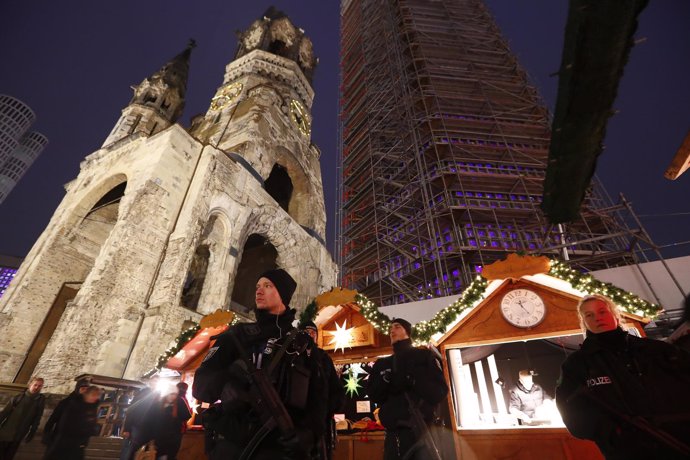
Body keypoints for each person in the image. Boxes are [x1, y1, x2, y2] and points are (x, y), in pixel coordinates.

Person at [193, 269, 327, 460]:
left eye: (267, 286)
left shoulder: (302, 343)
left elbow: (319, 397)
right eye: (257, 286)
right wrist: (226, 385)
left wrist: (310, 434)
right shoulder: (236, 335)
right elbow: (201, 386)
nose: (259, 291)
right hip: (235, 443)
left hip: (281, 447)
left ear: (283, 295)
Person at [556, 294, 690, 460]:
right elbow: (571, 410)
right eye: (589, 315)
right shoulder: (577, 364)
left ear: (615, 314)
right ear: (584, 322)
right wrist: (615, 435)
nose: (597, 318)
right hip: (628, 453)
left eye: (602, 312)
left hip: (679, 443)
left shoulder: (655, 350)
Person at [367, 318, 448, 460]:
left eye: (397, 327)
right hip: (394, 436)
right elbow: (374, 395)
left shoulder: (424, 356)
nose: (392, 331)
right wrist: (386, 381)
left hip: (422, 432)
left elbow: (439, 392)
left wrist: (413, 379)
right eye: (390, 328)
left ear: (408, 332)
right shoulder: (383, 364)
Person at [299, 321, 345, 460]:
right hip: (296, 420)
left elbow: (335, 387)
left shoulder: (324, 358)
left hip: (320, 421)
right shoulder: (292, 354)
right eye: (307, 332)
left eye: (313, 333)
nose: (310, 335)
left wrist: (328, 408)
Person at [43, 385, 102, 460]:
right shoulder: (73, 404)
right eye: (93, 395)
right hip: (63, 443)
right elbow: (59, 421)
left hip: (79, 445)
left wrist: (94, 429)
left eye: (97, 395)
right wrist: (47, 433)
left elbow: (91, 425)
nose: (96, 398)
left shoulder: (92, 408)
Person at [0, 376, 45, 460]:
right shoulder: (18, 398)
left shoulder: (40, 401)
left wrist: (32, 432)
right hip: (5, 433)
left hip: (19, 435)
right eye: (35, 385)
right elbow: (4, 414)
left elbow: (37, 419)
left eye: (40, 386)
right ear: (30, 385)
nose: (37, 387)